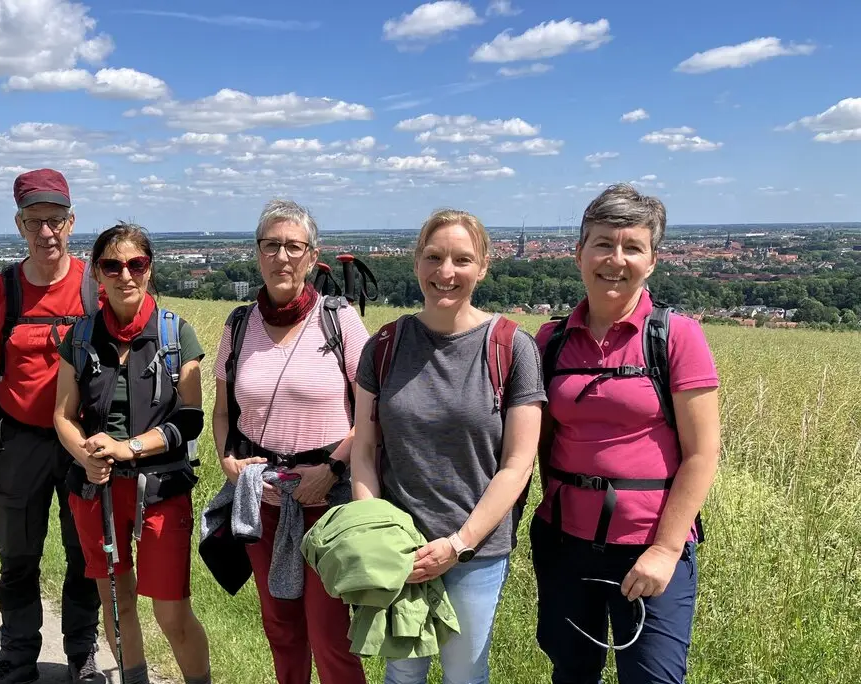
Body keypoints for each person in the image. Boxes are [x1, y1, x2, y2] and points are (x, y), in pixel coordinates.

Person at [531, 183, 720, 684]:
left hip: (649, 544)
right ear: (578, 253)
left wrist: (665, 549)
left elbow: (703, 454)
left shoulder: (676, 336)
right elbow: (535, 442)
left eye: (632, 247)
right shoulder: (549, 340)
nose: (615, 259)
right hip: (564, 540)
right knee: (571, 673)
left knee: (653, 679)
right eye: (602, 244)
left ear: (652, 260)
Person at [350, 209, 546, 684]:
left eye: (462, 259)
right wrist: (379, 536)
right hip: (399, 549)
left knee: (465, 675)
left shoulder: (510, 347)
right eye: (434, 257)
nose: (446, 272)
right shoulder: (384, 345)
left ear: (483, 267)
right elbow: (363, 448)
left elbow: (517, 465)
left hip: (475, 551)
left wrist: (458, 545)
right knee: (402, 673)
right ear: (416, 262)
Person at [210, 199, 370, 684]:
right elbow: (222, 413)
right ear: (257, 254)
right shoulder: (238, 326)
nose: (282, 257)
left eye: (294, 247)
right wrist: (228, 462)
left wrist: (334, 469)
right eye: (271, 245)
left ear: (312, 255)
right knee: (280, 628)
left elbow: (372, 413)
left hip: (330, 500)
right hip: (264, 498)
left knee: (330, 635)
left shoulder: (339, 320)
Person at [55, 223, 211, 684]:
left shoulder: (175, 334)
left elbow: (190, 421)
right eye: (112, 265)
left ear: (149, 269)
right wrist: (86, 456)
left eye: (136, 264)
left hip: (160, 489)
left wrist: (127, 448)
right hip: (97, 487)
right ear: (98, 275)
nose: (125, 274)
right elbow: (63, 415)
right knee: (116, 604)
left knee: (171, 612)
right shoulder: (81, 338)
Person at [0, 169, 102, 684]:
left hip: (82, 444)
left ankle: (81, 654)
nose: (46, 233)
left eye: (56, 221)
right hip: (20, 441)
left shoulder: (95, 284)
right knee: (18, 558)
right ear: (19, 224)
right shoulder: (0, 290)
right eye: (34, 222)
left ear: (72, 222)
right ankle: (19, 655)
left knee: (84, 555)